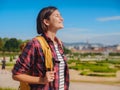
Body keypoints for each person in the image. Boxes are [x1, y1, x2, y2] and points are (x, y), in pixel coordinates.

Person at [12, 6, 69, 90]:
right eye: (57, 16)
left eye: (60, 15)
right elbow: (16, 74)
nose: (62, 18)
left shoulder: (59, 45)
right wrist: (41, 80)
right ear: (46, 21)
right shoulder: (35, 44)